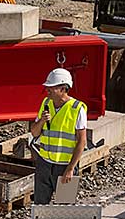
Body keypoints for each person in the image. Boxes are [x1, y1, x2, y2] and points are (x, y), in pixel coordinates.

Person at [29, 68, 87, 206]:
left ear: (63, 88)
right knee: (39, 205)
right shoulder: (46, 103)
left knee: (65, 207)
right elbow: (34, 133)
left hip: (65, 167)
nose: (47, 90)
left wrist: (71, 168)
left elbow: (82, 141)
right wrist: (42, 121)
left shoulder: (77, 108)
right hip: (44, 164)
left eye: (51, 87)